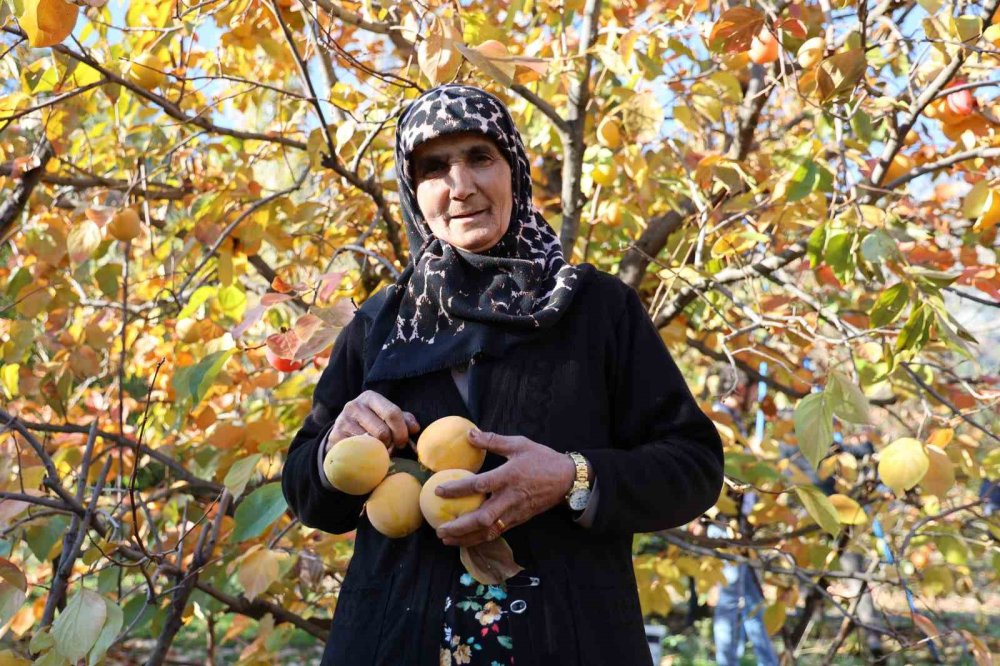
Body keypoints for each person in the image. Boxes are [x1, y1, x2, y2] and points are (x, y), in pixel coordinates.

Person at [280, 84, 724, 666]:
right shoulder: (381, 322)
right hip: (392, 642)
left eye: (479, 158)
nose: (460, 185)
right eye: (434, 167)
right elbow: (307, 495)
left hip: (570, 640)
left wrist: (572, 477)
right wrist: (334, 449)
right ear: (414, 193)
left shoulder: (595, 310)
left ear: (513, 169)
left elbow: (694, 466)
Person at [705, 365, 779, 666]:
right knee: (729, 603)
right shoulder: (718, 422)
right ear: (738, 389)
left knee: (750, 602)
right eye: (750, 390)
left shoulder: (734, 422)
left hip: (737, 526)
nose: (754, 398)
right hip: (724, 526)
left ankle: (767, 660)